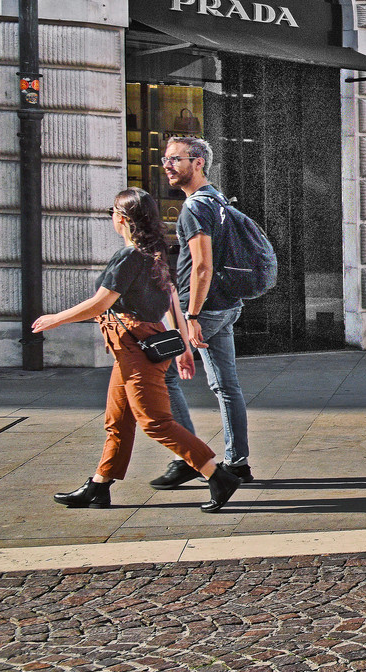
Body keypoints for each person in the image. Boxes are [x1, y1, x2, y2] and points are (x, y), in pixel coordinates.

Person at [32, 188, 244, 512]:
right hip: (139, 344)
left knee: (155, 422)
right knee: (117, 421)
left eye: (112, 213)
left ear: (122, 218)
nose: (112, 219)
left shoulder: (129, 256)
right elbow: (173, 300)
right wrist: (184, 347)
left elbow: (101, 303)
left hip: (136, 346)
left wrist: (56, 319)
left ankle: (217, 475)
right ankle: (99, 486)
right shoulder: (155, 253)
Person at [153, 136, 254, 491]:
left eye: (175, 159)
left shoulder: (196, 207)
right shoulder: (219, 200)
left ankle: (189, 458)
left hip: (205, 310)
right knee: (226, 386)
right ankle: (237, 463)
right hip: (226, 306)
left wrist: (191, 317)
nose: (167, 165)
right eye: (165, 159)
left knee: (162, 374)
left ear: (198, 163)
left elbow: (201, 267)